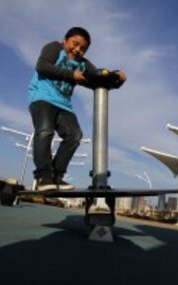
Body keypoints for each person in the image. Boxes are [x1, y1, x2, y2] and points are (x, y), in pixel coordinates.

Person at [28, 27, 126, 191]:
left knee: (74, 135)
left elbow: (99, 78)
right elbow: (42, 66)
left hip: (63, 104)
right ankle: (43, 176)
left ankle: (57, 177)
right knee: (45, 131)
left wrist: (117, 77)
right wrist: (71, 75)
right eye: (75, 44)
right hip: (42, 98)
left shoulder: (83, 64)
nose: (77, 50)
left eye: (83, 49)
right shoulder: (55, 48)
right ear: (65, 40)